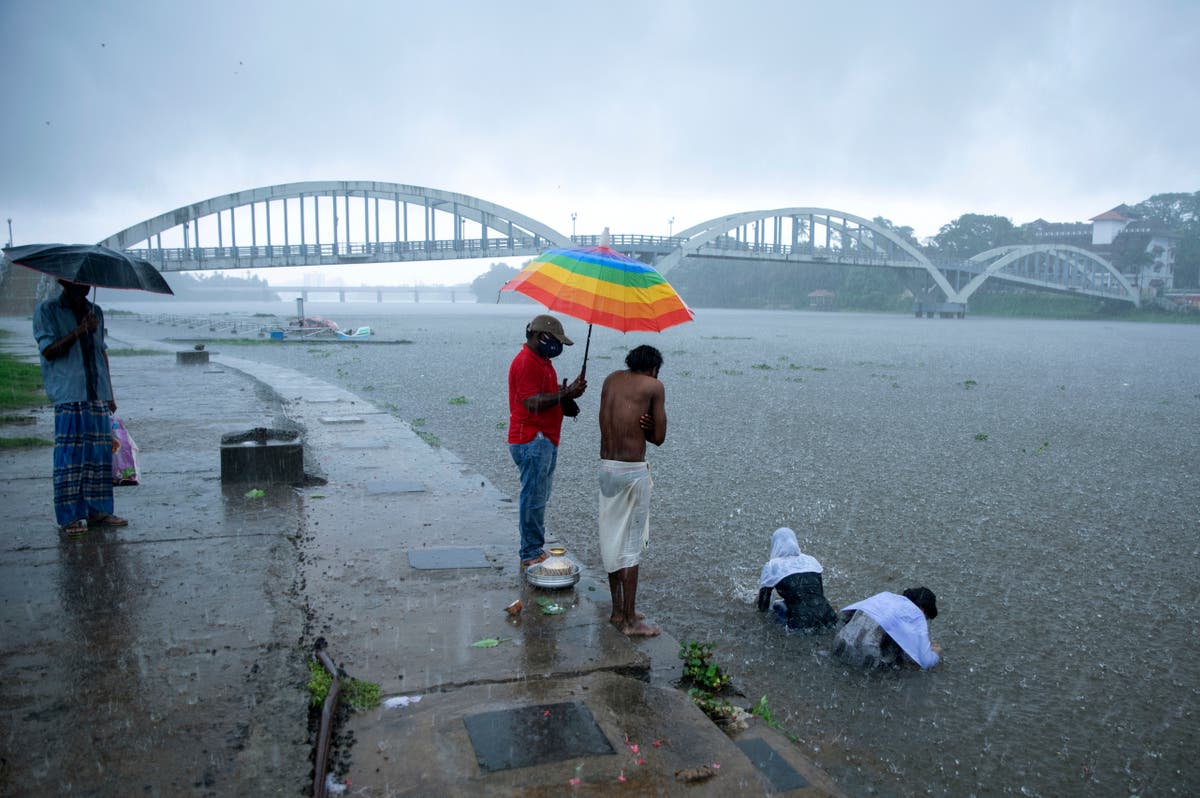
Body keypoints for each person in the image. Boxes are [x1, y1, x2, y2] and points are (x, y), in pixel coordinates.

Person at [33, 279, 128, 535]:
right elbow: (49, 351)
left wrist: (110, 392)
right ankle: (69, 517)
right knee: (69, 459)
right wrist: (79, 330)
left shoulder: (95, 311)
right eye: (78, 282)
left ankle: (99, 511)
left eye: (87, 281)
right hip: (69, 394)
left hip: (96, 393)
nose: (84, 286)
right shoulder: (47, 311)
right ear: (64, 282)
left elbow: (101, 352)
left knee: (99, 457)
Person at [597, 344, 666, 637]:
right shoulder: (654, 386)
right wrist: (650, 426)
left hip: (606, 468)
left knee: (612, 539)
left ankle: (617, 611)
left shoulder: (611, 379)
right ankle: (630, 621)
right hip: (631, 471)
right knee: (631, 546)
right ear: (653, 368)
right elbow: (659, 438)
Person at [508, 314, 586, 568]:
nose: (558, 346)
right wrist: (564, 393)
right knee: (533, 497)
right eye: (555, 340)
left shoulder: (543, 361)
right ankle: (530, 552)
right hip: (532, 438)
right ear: (539, 336)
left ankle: (534, 548)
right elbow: (530, 403)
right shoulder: (526, 363)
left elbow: (547, 397)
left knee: (539, 495)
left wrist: (566, 399)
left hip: (545, 438)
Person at [832, 587, 942, 670]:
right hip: (866, 662)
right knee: (908, 668)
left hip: (838, 646)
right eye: (926, 617)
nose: (924, 620)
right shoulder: (915, 615)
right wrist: (934, 653)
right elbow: (924, 662)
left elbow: (844, 615)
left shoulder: (885, 596)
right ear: (923, 609)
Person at [756, 527, 837, 633]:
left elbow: (763, 605)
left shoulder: (773, 566)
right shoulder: (811, 561)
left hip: (800, 624)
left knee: (776, 606)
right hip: (829, 618)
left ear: (775, 544)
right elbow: (817, 594)